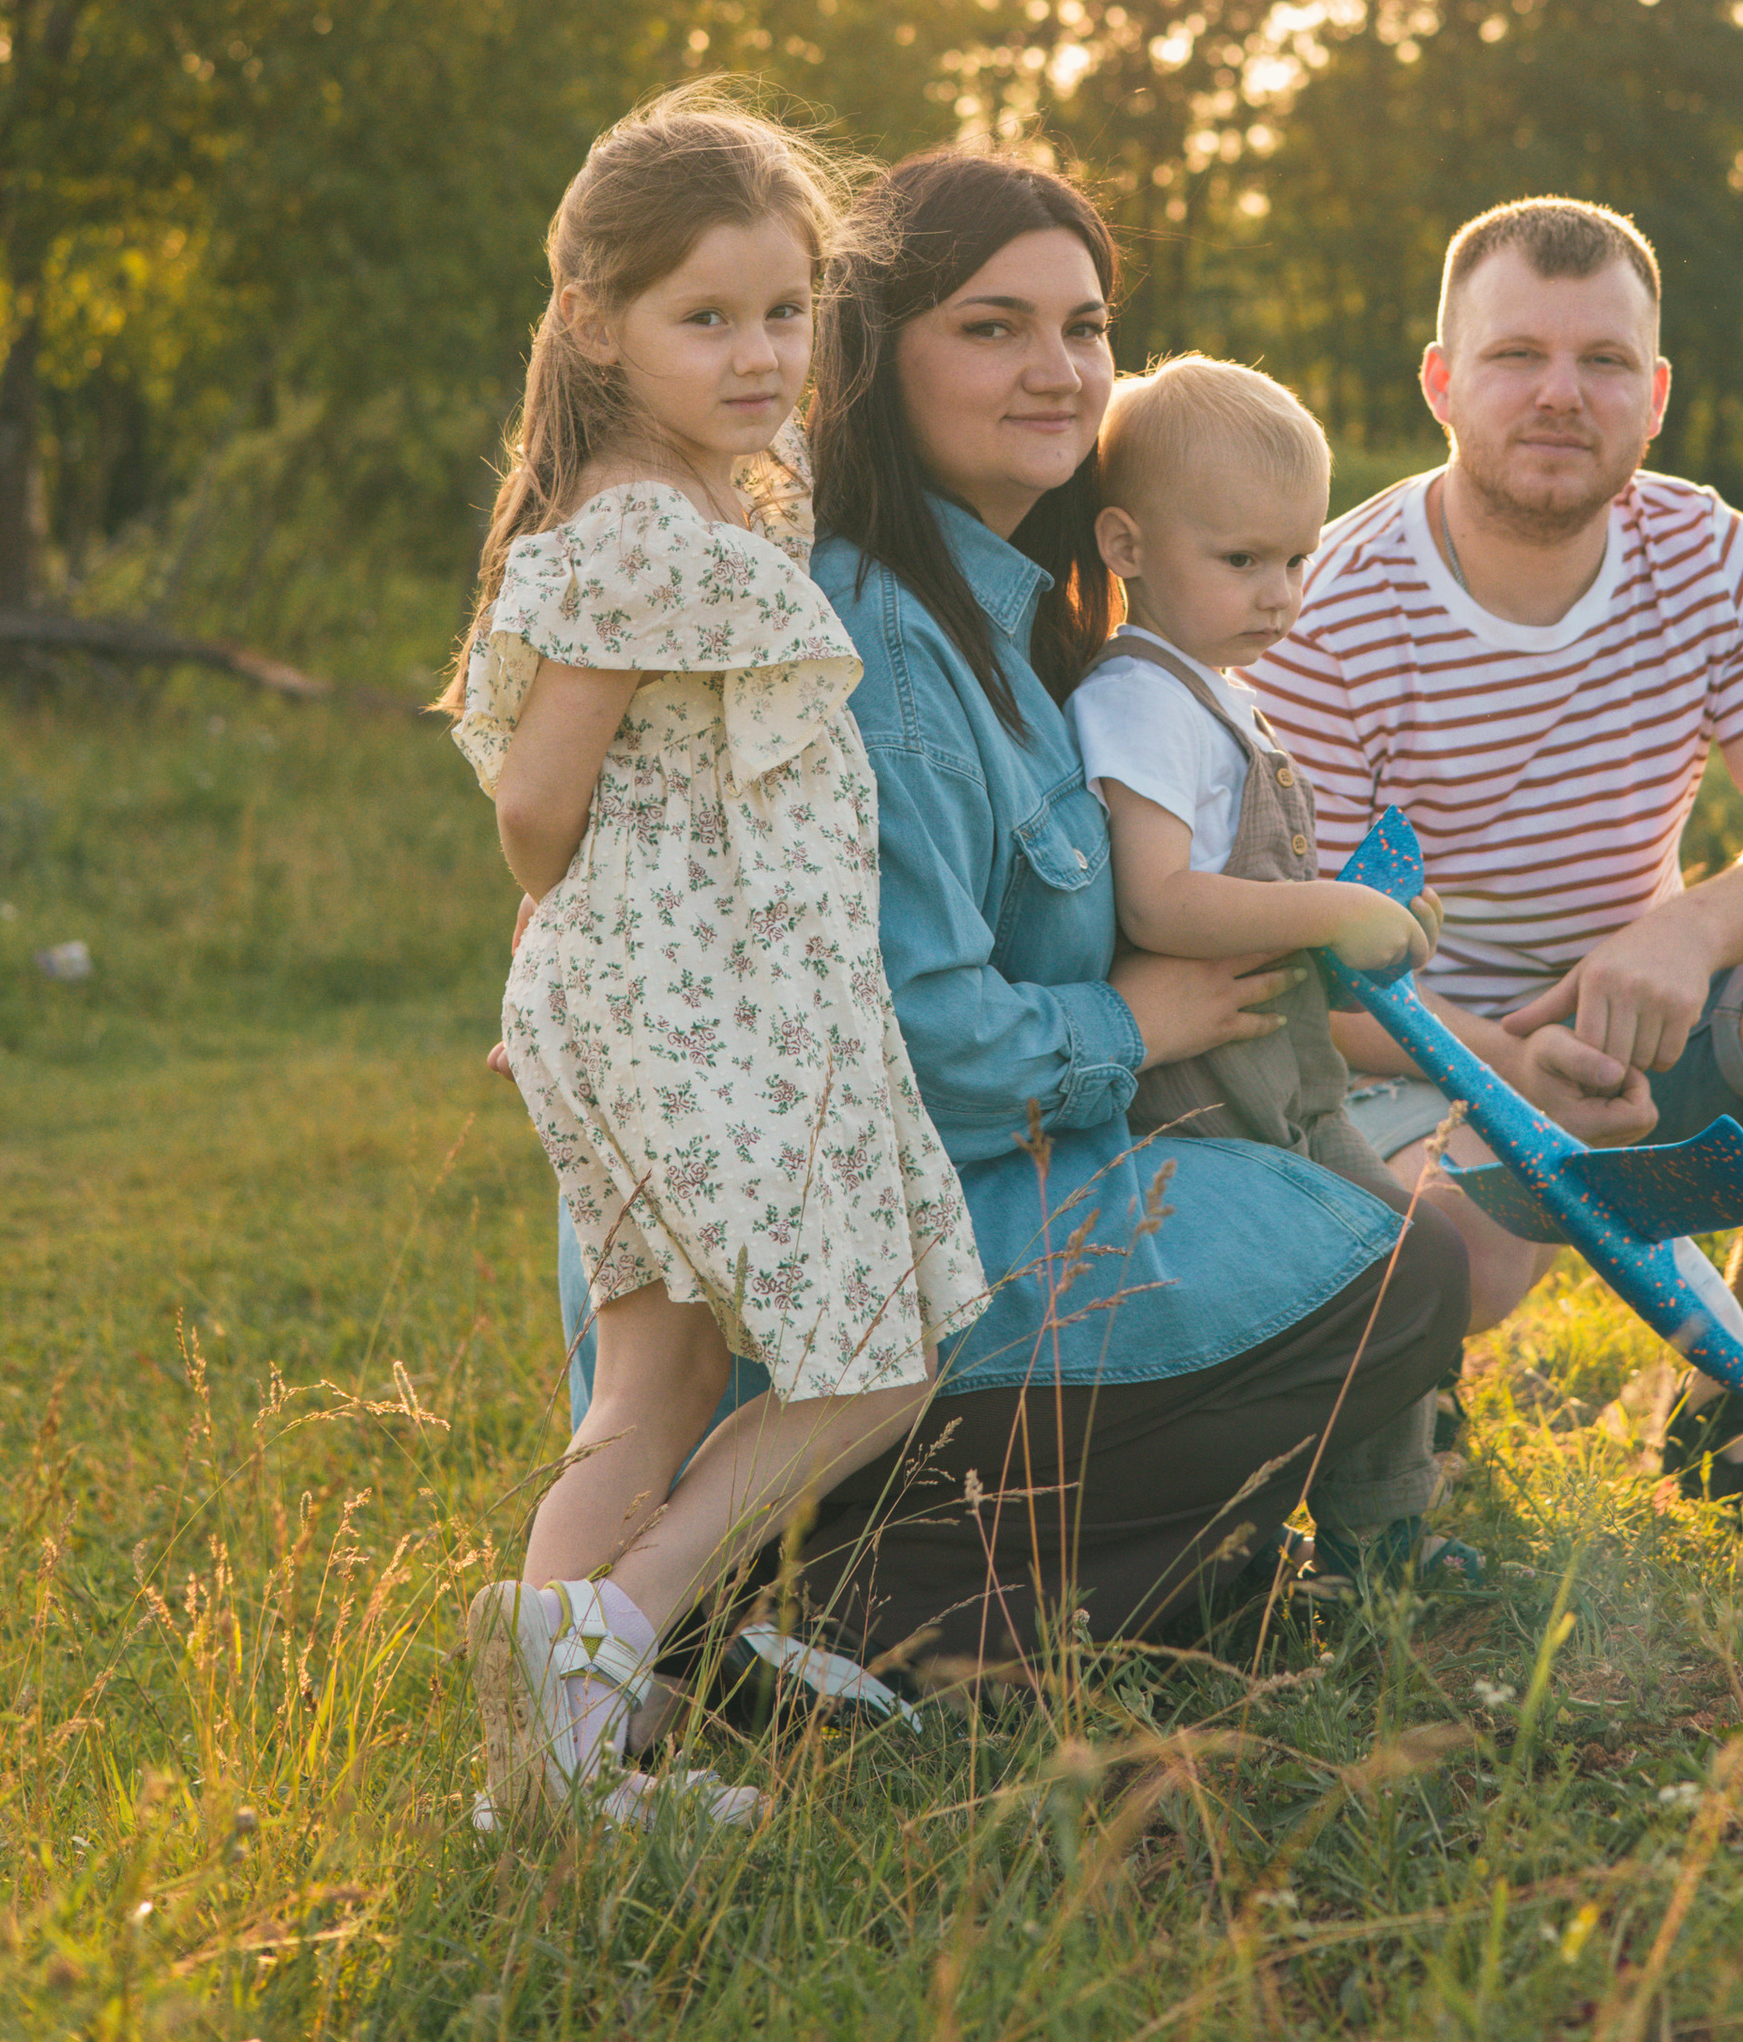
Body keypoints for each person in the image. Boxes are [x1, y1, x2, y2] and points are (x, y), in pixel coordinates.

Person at [784, 152, 1472, 1678]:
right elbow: (922, 1047)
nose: (1058, 369)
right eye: (992, 327)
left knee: (1369, 1281)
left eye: (1085, 326)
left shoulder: (1015, 618)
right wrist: (1135, 1024)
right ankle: (864, 1606)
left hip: (1024, 1187)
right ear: (875, 354)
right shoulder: (890, 652)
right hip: (916, 1246)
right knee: (1399, 1278)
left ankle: (1123, 1578)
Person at [1244, 194, 1743, 1526]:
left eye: (1604, 361)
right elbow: (1300, 972)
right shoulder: (1330, 609)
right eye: (1517, 355)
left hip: (1642, 1023)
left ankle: (1732, 1405)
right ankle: (1414, 1392)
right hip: (1416, 1053)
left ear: (1657, 394)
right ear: (1441, 383)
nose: (1561, 395)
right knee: (1463, 1264)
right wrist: (1506, 1068)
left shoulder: (1712, 555)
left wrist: (1688, 931)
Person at [445, 87, 988, 1823]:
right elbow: (537, 806)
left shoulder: (713, 491)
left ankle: (554, 1774)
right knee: (879, 1357)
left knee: (662, 1377)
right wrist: (589, 922)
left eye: (785, 311)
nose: (760, 355)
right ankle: (608, 1628)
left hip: (688, 992)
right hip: (694, 1004)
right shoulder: (638, 530)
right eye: (707, 319)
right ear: (597, 325)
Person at [1072, 351, 1466, 1586]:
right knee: (1373, 1270)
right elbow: (1159, 897)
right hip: (1213, 1101)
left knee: (1387, 1266)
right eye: (1242, 559)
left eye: (1298, 558)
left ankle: (1375, 1519)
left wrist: (1358, 934)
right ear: (1126, 545)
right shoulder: (1138, 699)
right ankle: (1360, 1541)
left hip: (1286, 1080)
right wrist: (1328, 909)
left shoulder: (1216, 692)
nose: (1280, 593)